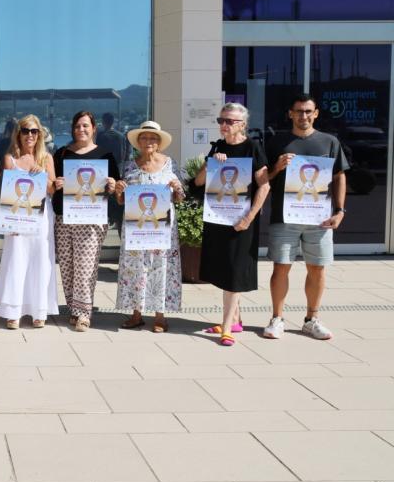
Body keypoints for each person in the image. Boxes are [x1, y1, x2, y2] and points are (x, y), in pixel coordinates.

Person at [264, 93, 348, 340]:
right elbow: (263, 178)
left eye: (308, 111)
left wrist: (340, 211)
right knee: (281, 267)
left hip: (319, 218)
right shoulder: (277, 142)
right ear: (290, 114)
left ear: (316, 113)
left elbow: (339, 176)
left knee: (317, 268)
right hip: (284, 217)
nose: (304, 116)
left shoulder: (329, 142)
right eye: (299, 111)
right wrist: (277, 167)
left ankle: (312, 319)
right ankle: (277, 319)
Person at [192, 103, 270, 346]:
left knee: (235, 272)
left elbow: (264, 185)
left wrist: (249, 218)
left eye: (229, 121)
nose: (224, 125)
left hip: (241, 221)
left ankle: (226, 328)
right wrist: (210, 164)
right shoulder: (218, 146)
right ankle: (235, 320)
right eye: (221, 120)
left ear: (242, 124)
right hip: (219, 219)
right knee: (225, 270)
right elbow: (198, 183)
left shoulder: (253, 147)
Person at [114, 121, 185, 332]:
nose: (148, 141)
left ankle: (160, 317)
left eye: (153, 138)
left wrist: (178, 188)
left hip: (162, 228)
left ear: (159, 142)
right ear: (138, 142)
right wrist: (118, 191)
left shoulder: (170, 164)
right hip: (136, 228)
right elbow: (121, 201)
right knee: (136, 269)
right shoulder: (129, 166)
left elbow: (180, 198)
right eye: (144, 138)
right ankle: (136, 314)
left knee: (161, 267)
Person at [51, 111, 119, 332]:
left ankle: (84, 313)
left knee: (86, 267)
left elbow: (116, 186)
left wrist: (112, 185)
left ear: (94, 128)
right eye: (77, 126)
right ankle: (73, 308)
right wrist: (56, 184)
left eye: (85, 126)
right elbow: (50, 183)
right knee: (67, 267)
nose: (81, 129)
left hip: (92, 219)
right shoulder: (61, 153)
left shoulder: (105, 155)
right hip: (64, 217)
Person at [0, 114, 59, 329]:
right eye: (25, 131)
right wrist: (9, 222)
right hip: (17, 216)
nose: (29, 135)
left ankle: (39, 310)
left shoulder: (46, 158)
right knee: (16, 258)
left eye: (34, 131)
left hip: (41, 217)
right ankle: (13, 310)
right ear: (18, 134)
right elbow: (7, 191)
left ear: (39, 134)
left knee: (40, 259)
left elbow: (52, 190)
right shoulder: (10, 158)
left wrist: (44, 175)